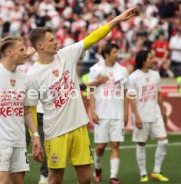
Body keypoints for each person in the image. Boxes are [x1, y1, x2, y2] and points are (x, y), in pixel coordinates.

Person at [27, 7, 137, 184]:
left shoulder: (66, 55)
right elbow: (30, 108)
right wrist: (35, 136)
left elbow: (92, 38)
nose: (56, 42)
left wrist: (116, 20)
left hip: (79, 127)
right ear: (40, 46)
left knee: (86, 178)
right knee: (55, 178)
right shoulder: (32, 75)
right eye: (51, 40)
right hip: (55, 132)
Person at [0, 36, 43, 184]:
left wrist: (35, 135)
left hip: (19, 141)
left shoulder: (25, 78)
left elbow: (27, 110)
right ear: (10, 52)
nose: (26, 53)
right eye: (21, 50)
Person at [88, 43, 129, 184]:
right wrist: (92, 111)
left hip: (117, 114)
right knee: (100, 147)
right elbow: (91, 91)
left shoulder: (123, 70)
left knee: (115, 145)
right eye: (114, 52)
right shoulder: (95, 69)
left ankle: (113, 176)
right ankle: (98, 168)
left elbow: (125, 92)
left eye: (117, 51)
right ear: (106, 54)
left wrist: (126, 112)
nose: (116, 54)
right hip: (102, 114)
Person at [128, 50, 169, 183]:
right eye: (150, 57)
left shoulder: (156, 75)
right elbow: (131, 99)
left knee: (163, 142)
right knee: (141, 144)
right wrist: (137, 117)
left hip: (155, 114)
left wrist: (163, 111)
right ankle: (143, 173)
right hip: (141, 116)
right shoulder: (133, 77)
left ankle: (157, 171)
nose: (153, 59)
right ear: (143, 60)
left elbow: (158, 94)